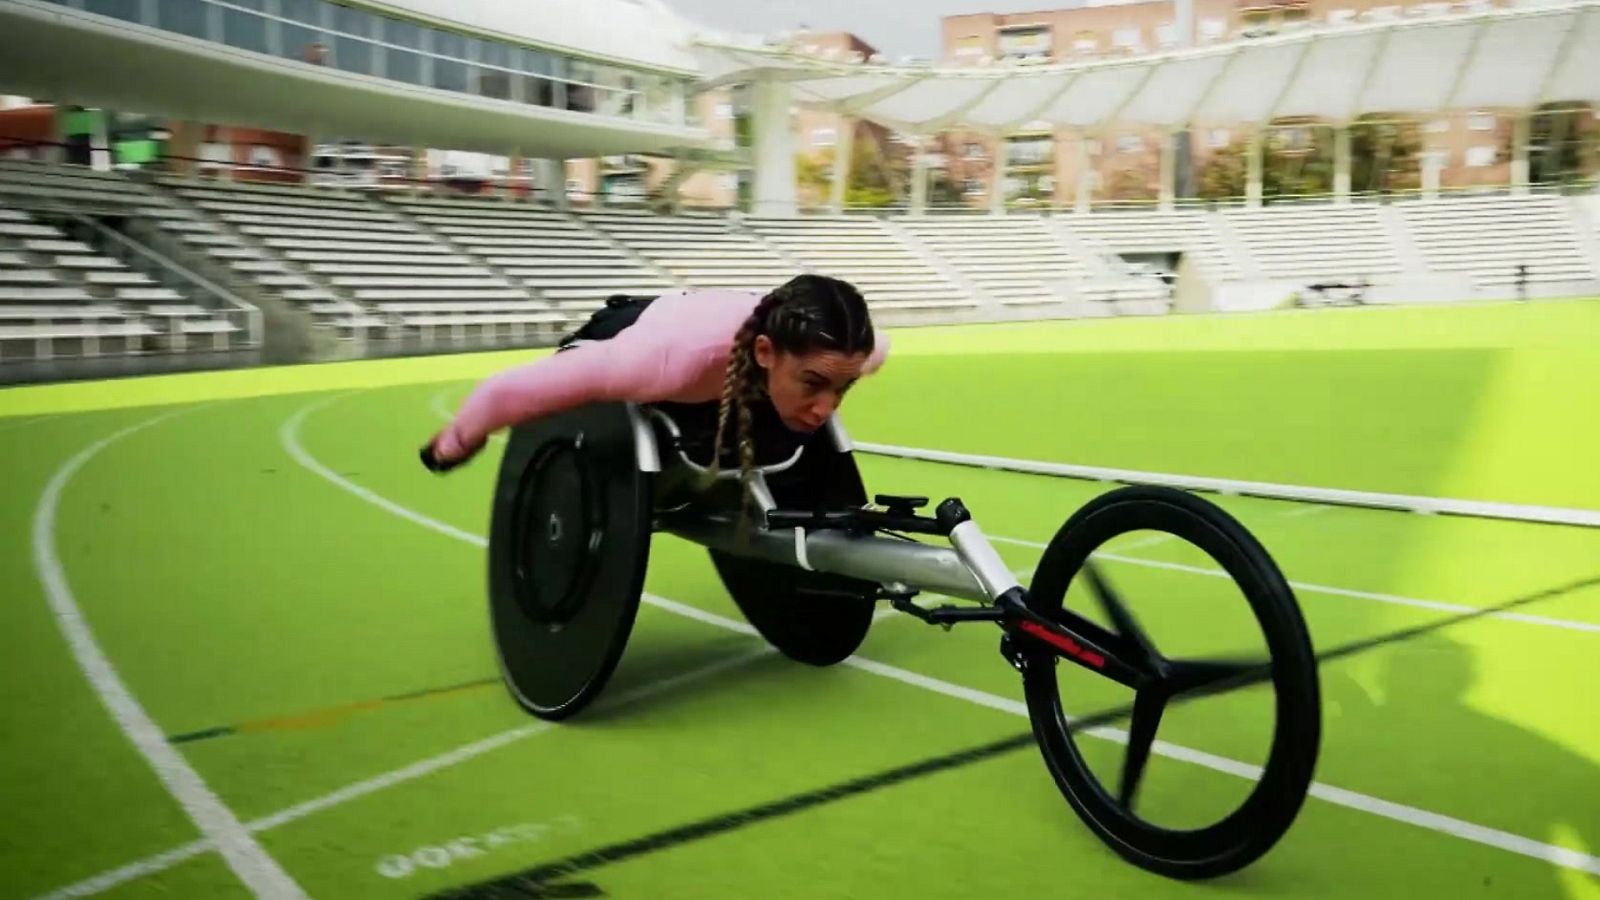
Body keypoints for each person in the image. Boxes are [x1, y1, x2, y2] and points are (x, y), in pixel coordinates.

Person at [421, 274, 888, 489]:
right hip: (633, 328)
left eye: (841, 389)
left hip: (712, 328)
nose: (826, 409)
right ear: (765, 352)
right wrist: (455, 443)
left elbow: (870, 347)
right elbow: (508, 391)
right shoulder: (664, 362)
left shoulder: (856, 351)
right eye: (812, 384)